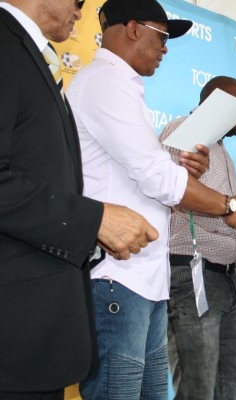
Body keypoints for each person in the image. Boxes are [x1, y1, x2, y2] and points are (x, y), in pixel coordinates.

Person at [66, 1, 236, 398]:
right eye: (162, 37)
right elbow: (157, 177)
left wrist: (189, 180)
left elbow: (157, 187)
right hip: (117, 278)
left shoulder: (127, 91)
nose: (165, 49)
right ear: (132, 29)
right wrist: (230, 207)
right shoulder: (105, 82)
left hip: (147, 280)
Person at [0, 0, 160, 399]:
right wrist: (94, 220)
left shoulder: (29, 54)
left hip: (36, 326)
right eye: (78, 2)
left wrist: (92, 230)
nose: (80, 12)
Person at [160, 76, 236, 400]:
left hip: (229, 282)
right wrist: (234, 211)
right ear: (216, 102)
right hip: (192, 277)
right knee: (198, 390)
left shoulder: (222, 152)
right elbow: (175, 196)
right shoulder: (184, 131)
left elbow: (232, 225)